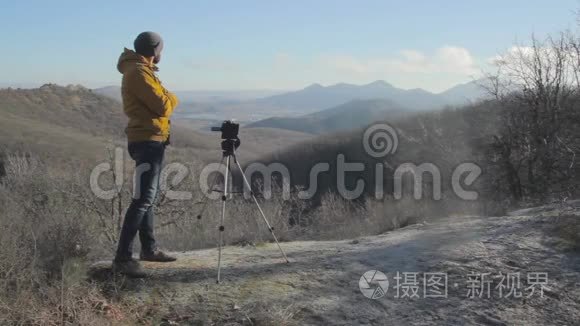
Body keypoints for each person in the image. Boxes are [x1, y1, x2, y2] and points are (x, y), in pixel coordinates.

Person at [113, 31, 179, 278]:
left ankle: (149, 249)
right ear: (154, 51)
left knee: (146, 197)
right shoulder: (139, 72)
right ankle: (122, 258)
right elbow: (163, 105)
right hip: (147, 140)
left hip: (150, 139)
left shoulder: (140, 70)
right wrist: (173, 97)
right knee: (142, 199)